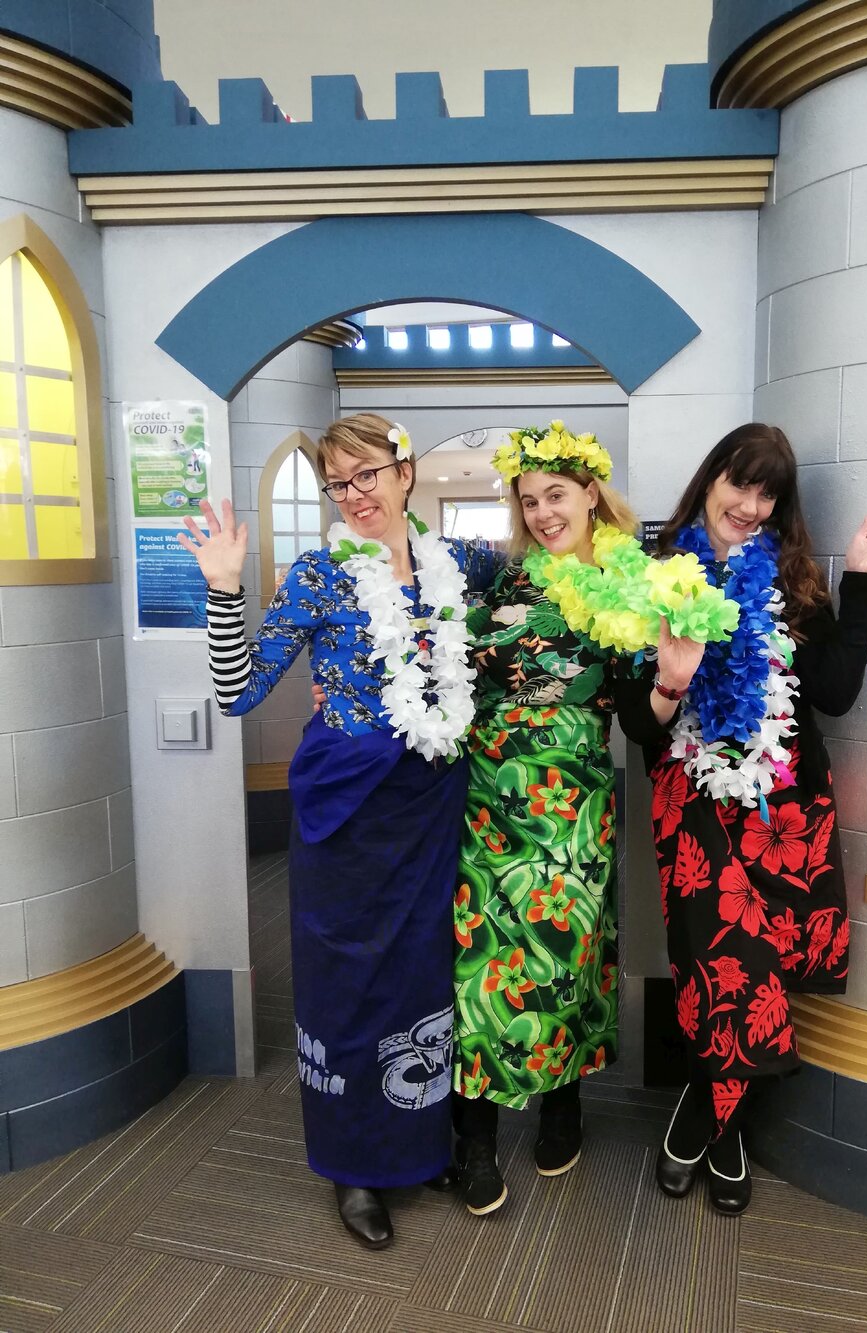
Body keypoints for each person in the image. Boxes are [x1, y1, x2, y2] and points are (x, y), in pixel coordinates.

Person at [177, 412, 501, 1250]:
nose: (354, 494)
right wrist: (222, 588)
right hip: (346, 809)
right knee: (347, 981)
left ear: (405, 471)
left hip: (430, 802)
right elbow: (239, 692)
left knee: (422, 978)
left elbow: (533, 610)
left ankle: (418, 1145)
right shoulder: (320, 575)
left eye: (367, 474)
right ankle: (354, 1166)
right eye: (338, 481)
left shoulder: (458, 566)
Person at [632, 422, 867, 1216]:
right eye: (741, 483)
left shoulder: (794, 578)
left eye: (768, 492)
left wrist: (863, 578)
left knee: (764, 971)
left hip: (787, 811)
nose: (752, 504)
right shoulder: (652, 577)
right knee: (718, 965)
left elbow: (833, 691)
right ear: (709, 481)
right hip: (695, 807)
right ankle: (720, 1129)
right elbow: (636, 723)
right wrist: (667, 682)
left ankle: (708, 1121)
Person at [450, 422, 668, 1215]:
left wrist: (671, 682)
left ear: (591, 494)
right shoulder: (503, 583)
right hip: (484, 795)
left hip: (572, 803)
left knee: (564, 950)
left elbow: (643, 724)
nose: (543, 512)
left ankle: (563, 1104)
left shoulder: (634, 588)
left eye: (557, 495)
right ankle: (471, 1133)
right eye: (529, 499)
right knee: (476, 960)